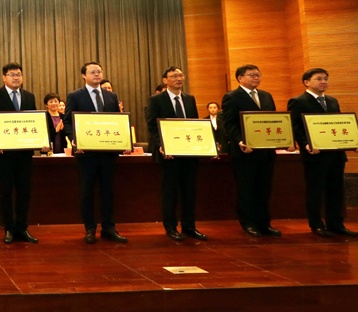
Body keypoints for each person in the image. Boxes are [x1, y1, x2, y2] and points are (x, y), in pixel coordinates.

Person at [63, 61, 129, 244]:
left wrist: (124, 141)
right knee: (87, 192)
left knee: (108, 191)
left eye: (99, 71)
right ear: (84, 75)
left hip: (108, 153)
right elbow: (67, 121)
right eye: (92, 72)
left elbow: (117, 121)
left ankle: (109, 227)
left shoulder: (111, 96)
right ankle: (90, 228)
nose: (97, 74)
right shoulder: (75, 96)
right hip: (86, 153)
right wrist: (74, 139)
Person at [0, 63, 49, 244]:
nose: (16, 78)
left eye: (18, 74)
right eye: (12, 74)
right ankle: (9, 229)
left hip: (24, 153)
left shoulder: (29, 96)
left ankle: (22, 227)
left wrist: (43, 141)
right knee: (5, 192)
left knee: (24, 191)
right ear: (4, 78)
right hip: (4, 153)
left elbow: (34, 121)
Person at [288, 68, 357, 237]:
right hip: (315, 154)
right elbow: (295, 126)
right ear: (306, 82)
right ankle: (316, 224)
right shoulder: (298, 101)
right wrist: (306, 144)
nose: (324, 82)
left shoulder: (332, 101)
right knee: (315, 190)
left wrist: (352, 141)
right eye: (319, 79)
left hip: (336, 154)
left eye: (326, 79)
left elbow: (339, 124)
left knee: (336, 189)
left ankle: (336, 224)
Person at [145, 66, 206, 241]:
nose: (178, 79)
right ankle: (171, 227)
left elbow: (194, 124)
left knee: (189, 191)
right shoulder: (156, 100)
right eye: (173, 76)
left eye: (180, 75)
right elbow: (152, 126)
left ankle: (189, 227)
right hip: (168, 154)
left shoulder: (189, 99)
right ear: (165, 80)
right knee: (170, 192)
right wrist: (162, 145)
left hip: (189, 153)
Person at [221, 64, 283, 238]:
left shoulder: (266, 96)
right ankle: (248, 223)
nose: (256, 78)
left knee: (264, 188)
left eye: (258, 75)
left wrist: (284, 140)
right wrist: (240, 140)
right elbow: (229, 123)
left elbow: (274, 121)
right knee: (247, 189)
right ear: (240, 78)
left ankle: (265, 223)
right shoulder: (232, 97)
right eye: (252, 75)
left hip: (266, 151)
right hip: (244, 152)